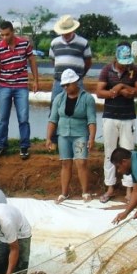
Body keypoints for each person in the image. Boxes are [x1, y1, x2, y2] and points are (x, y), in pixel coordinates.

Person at [96, 42, 137, 203]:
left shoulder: (135, 70)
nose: (125, 66)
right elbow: (99, 92)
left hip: (128, 116)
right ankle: (110, 187)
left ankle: (129, 189)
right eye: (122, 63)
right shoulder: (106, 70)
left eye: (127, 63)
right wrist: (115, 91)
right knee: (109, 151)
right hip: (110, 115)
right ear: (116, 59)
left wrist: (122, 86)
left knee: (128, 151)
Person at [0, 21, 40, 159]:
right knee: (3, 118)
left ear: (13, 32)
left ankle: (24, 146)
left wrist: (36, 80)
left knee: (23, 117)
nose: (4, 37)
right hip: (5, 86)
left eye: (7, 34)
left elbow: (32, 60)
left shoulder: (24, 44)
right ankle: (2, 144)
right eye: (2, 35)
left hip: (21, 86)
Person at [46, 68, 97, 203]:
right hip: (63, 135)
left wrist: (91, 138)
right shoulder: (59, 98)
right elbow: (53, 119)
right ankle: (64, 193)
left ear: (76, 82)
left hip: (80, 134)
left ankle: (85, 192)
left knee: (81, 162)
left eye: (68, 84)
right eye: (64, 85)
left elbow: (91, 120)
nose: (66, 87)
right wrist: (49, 137)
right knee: (65, 163)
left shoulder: (87, 98)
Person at [49, 14, 93, 146]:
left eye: (67, 32)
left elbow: (88, 61)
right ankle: (55, 140)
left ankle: (81, 139)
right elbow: (53, 60)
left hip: (76, 81)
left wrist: (80, 75)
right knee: (55, 109)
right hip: (58, 82)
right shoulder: (54, 43)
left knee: (79, 109)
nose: (65, 34)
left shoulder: (83, 43)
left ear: (73, 30)